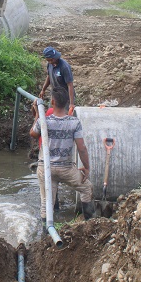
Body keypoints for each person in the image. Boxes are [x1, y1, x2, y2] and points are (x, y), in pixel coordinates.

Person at [30, 86, 95, 225]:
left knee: (46, 203)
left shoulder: (45, 121)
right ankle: (90, 224)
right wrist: (87, 168)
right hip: (66, 169)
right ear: (67, 103)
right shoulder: (74, 122)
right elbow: (82, 148)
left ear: (52, 102)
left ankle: (46, 235)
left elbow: (33, 134)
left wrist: (37, 114)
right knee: (86, 188)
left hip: (46, 169)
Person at [39, 46, 76, 115]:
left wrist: (71, 103)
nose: (50, 61)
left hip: (65, 97)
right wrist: (43, 90)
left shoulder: (64, 67)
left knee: (64, 117)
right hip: (55, 95)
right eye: (49, 60)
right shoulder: (49, 65)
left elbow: (70, 85)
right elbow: (49, 77)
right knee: (52, 115)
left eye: (52, 60)